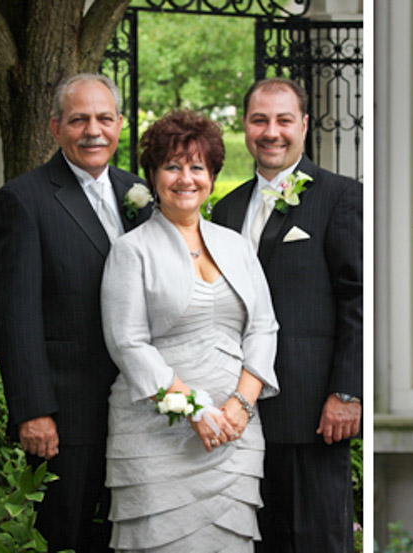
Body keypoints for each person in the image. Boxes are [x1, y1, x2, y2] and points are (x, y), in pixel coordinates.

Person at [99, 109, 280, 551]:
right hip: (155, 439)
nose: (185, 178)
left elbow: (263, 328)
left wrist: (240, 405)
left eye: (197, 166)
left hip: (235, 436)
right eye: (172, 166)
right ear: (154, 176)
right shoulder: (131, 251)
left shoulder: (235, 246)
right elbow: (128, 343)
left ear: (212, 175)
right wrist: (194, 410)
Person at [0, 73, 152, 552]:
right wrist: (34, 410)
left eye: (104, 118)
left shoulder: (141, 194)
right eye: (79, 119)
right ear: (54, 127)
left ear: (120, 124)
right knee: (68, 536)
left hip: (137, 407)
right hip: (67, 414)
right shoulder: (22, 200)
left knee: (126, 534)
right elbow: (13, 315)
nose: (93, 130)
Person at [209, 78, 363, 552]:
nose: (271, 131)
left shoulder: (340, 196)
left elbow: (357, 299)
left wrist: (347, 391)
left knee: (314, 538)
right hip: (240, 411)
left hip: (313, 409)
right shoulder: (226, 209)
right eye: (260, 120)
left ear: (304, 125)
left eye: (283, 120)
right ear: (245, 126)